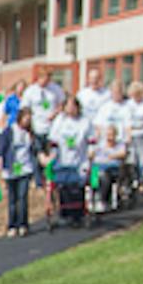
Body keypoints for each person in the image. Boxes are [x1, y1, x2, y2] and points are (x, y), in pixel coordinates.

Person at [48, 96, 92, 227]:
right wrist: (52, 157)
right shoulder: (59, 121)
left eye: (73, 106)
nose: (71, 109)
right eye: (68, 106)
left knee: (77, 187)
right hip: (63, 159)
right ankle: (65, 213)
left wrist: (91, 153)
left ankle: (78, 215)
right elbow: (53, 141)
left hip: (80, 159)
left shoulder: (85, 122)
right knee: (63, 187)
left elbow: (91, 140)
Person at [0, 106, 41, 237]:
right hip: (11, 169)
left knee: (22, 197)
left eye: (29, 120)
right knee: (12, 199)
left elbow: (35, 149)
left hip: (25, 169)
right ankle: (12, 225)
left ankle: (23, 224)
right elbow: (1, 148)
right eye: (25, 119)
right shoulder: (10, 130)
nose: (27, 122)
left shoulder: (30, 134)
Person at [90, 124, 129, 214]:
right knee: (94, 173)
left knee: (104, 175)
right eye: (108, 135)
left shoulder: (120, 144)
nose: (110, 137)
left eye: (112, 135)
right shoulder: (100, 144)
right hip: (98, 166)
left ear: (115, 135)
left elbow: (123, 154)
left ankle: (102, 199)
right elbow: (92, 154)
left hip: (112, 169)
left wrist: (112, 156)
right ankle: (93, 198)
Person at [24, 68, 62, 150]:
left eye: (48, 79)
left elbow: (62, 104)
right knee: (38, 153)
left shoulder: (56, 89)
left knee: (51, 153)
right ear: (38, 78)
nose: (46, 81)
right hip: (36, 126)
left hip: (52, 127)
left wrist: (55, 113)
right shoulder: (30, 91)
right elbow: (25, 109)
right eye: (44, 78)